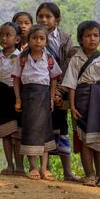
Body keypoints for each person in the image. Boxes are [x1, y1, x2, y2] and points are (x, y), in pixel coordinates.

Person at [62, 21, 100, 188]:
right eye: (88, 36)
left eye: (95, 35)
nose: (92, 39)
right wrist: (72, 107)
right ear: (81, 39)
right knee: (85, 139)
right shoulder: (76, 59)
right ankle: (89, 174)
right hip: (82, 100)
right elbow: (71, 84)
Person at [12, 24, 62, 181]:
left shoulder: (49, 59)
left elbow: (54, 79)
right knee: (29, 130)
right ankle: (33, 167)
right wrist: (18, 99)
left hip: (44, 97)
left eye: (41, 38)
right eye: (34, 38)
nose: (38, 41)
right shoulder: (22, 58)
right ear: (29, 39)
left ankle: (44, 168)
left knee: (45, 131)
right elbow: (16, 79)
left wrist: (52, 98)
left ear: (46, 42)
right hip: (28, 97)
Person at [36, 2, 78, 182]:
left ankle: (67, 172)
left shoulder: (64, 39)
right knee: (41, 129)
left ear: (57, 20)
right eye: (40, 16)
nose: (44, 19)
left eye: (48, 17)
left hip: (59, 91)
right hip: (40, 89)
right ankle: (44, 169)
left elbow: (69, 66)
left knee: (61, 130)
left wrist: (60, 91)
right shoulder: (34, 37)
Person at [0, 22, 24, 175]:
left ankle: (20, 166)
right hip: (2, 95)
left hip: (17, 95)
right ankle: (9, 165)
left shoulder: (21, 57)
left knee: (17, 134)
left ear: (17, 39)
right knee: (5, 133)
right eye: (1, 35)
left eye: (8, 35)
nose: (3, 38)